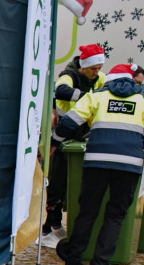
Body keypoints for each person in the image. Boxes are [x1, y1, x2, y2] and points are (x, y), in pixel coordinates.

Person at [54, 63, 144, 265]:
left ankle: (73, 262)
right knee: (115, 215)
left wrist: (55, 141)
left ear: (108, 81)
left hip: (96, 162)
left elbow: (69, 123)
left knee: (88, 211)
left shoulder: (96, 97)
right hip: (129, 165)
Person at [45, 44, 107, 240]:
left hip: (85, 134)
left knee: (77, 182)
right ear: (83, 65)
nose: (96, 72)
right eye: (92, 69)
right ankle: (50, 225)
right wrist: (88, 98)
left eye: (98, 68)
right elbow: (61, 91)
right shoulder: (69, 75)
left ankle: (62, 222)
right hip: (64, 132)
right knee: (57, 181)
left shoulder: (100, 78)